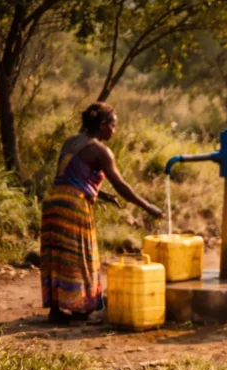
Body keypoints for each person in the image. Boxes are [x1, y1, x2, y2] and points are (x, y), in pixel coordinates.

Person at [40, 102, 163, 323]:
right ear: (103, 124)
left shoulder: (71, 141)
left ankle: (56, 310)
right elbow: (122, 186)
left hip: (52, 201)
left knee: (57, 255)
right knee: (80, 257)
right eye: (113, 126)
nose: (114, 131)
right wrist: (148, 206)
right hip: (73, 207)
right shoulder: (101, 151)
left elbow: (72, 174)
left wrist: (101, 194)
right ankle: (79, 308)